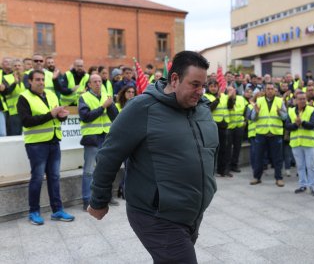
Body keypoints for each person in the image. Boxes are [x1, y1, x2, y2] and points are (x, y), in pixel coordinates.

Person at [87, 51, 217, 264]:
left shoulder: (201, 108)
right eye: (194, 84)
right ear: (174, 79)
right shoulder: (142, 108)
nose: (200, 92)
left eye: (203, 85)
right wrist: (99, 201)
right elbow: (109, 155)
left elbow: (210, 150)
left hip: (190, 213)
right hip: (156, 215)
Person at [17, 69, 75, 225]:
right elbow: (26, 121)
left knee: (55, 178)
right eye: (37, 79)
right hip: (36, 144)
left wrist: (62, 116)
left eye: (43, 79)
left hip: (54, 141)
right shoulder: (24, 98)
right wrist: (51, 114)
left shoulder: (51, 94)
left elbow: (56, 117)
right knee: (37, 178)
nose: (41, 82)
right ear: (30, 81)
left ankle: (57, 210)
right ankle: (33, 212)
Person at [78, 74, 119, 211]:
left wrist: (110, 105)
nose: (97, 83)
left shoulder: (106, 96)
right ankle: (86, 200)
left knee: (106, 169)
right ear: (89, 84)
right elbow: (86, 117)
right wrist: (103, 107)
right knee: (89, 171)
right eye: (94, 81)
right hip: (92, 138)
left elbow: (115, 117)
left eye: (99, 81)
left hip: (106, 137)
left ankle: (106, 197)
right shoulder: (84, 97)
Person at [250, 82, 287, 186]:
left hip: (275, 134)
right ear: (265, 91)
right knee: (259, 157)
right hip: (261, 134)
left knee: (278, 158)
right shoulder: (259, 101)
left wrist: (280, 113)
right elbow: (252, 118)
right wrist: (256, 112)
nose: (270, 90)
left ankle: (279, 178)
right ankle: (257, 177)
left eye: (272, 89)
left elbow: (285, 117)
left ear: (275, 90)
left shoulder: (280, 101)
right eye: (268, 89)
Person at [285, 92, 314, 196]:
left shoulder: (312, 110)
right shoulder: (290, 111)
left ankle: (312, 186)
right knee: (300, 166)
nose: (303, 101)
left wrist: (302, 122)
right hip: (296, 143)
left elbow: (313, 125)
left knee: (311, 166)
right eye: (300, 99)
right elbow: (287, 126)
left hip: (308, 143)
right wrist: (296, 124)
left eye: (304, 99)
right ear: (295, 100)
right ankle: (302, 185)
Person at [203, 79, 232, 177]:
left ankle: (222, 170)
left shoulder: (224, 96)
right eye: (211, 86)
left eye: (215, 86)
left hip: (224, 126)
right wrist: (218, 99)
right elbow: (209, 108)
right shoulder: (205, 96)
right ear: (208, 87)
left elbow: (230, 107)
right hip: (213, 126)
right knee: (212, 150)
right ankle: (210, 171)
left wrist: (232, 98)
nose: (214, 88)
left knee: (223, 149)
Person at [226, 85, 248, 173]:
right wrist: (229, 98)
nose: (231, 92)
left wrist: (245, 121)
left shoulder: (241, 98)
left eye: (232, 90)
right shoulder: (225, 98)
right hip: (229, 126)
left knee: (237, 147)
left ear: (235, 90)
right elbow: (228, 108)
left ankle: (234, 165)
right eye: (229, 91)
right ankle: (227, 166)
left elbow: (246, 109)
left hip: (239, 126)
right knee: (227, 148)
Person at [3, 59, 26, 135]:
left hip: (27, 111)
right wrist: (14, 83)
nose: (17, 67)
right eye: (15, 66)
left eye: (19, 65)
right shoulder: (6, 78)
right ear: (12, 68)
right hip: (13, 112)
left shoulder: (27, 77)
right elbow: (6, 92)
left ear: (23, 67)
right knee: (15, 134)